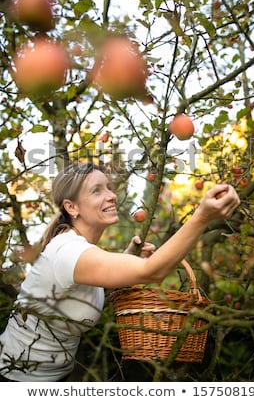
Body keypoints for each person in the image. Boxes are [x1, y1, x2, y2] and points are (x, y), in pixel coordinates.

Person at [0, 162, 240, 382]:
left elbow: (82, 294)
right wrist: (202, 217)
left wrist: (126, 260)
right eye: (97, 191)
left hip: (51, 379)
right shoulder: (67, 251)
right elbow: (152, 272)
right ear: (71, 207)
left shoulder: (81, 251)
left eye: (109, 188)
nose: (112, 195)